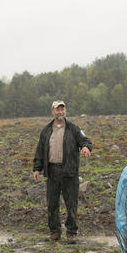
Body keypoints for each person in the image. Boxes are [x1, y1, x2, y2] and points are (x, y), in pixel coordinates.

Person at [32, 100, 92, 242]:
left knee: (71, 203)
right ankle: (55, 231)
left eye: (62, 109)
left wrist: (86, 147)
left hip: (69, 172)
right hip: (52, 172)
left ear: (65, 111)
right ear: (52, 111)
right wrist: (37, 169)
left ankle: (71, 233)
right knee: (52, 203)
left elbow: (85, 141)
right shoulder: (46, 130)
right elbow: (40, 151)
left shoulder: (74, 128)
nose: (60, 112)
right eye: (57, 109)